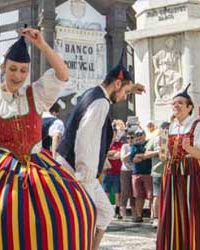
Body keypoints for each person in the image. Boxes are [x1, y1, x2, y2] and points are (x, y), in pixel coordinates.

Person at [0, 27, 97, 250]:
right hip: (3, 166)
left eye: (23, 70)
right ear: (3, 67)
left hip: (38, 162)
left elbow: (63, 74)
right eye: (13, 69)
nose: (18, 75)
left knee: (72, 208)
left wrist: (42, 45)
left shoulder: (36, 93)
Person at [57, 50, 145, 250]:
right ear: (116, 84)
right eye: (124, 92)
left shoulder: (93, 93)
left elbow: (87, 137)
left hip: (78, 170)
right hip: (78, 173)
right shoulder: (100, 103)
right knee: (84, 218)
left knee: (105, 212)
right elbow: (85, 140)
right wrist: (85, 175)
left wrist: (131, 87)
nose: (124, 98)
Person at [156, 84, 200, 249]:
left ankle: (195, 244)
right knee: (173, 212)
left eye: (180, 103)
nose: (176, 106)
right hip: (172, 172)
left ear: (189, 107)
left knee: (193, 210)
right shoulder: (169, 127)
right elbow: (164, 156)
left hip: (191, 171)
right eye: (174, 103)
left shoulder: (197, 125)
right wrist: (162, 152)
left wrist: (189, 148)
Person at [129, 129, 153, 223]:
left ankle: (152, 216)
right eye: (137, 135)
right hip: (136, 173)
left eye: (140, 134)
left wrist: (140, 156)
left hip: (148, 173)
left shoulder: (149, 144)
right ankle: (139, 216)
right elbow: (133, 159)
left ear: (144, 135)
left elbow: (148, 155)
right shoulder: (134, 146)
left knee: (150, 196)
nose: (139, 136)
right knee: (138, 196)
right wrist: (143, 156)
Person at [102, 129, 124, 220]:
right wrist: (110, 154)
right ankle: (107, 210)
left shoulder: (120, 144)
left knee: (117, 192)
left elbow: (118, 156)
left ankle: (117, 211)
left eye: (114, 134)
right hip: (107, 172)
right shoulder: (105, 144)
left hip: (117, 172)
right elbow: (103, 154)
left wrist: (108, 155)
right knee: (106, 191)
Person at [120, 131, 136, 218]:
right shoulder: (125, 146)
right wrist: (132, 153)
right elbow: (123, 158)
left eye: (132, 138)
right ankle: (123, 213)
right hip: (125, 171)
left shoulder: (136, 146)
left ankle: (134, 213)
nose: (130, 140)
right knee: (124, 191)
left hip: (134, 171)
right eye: (128, 138)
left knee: (133, 192)